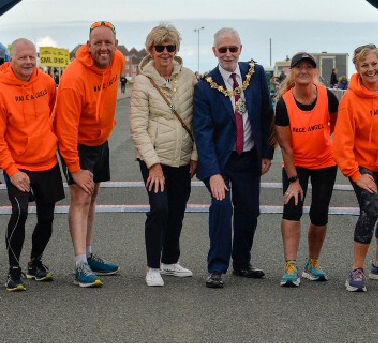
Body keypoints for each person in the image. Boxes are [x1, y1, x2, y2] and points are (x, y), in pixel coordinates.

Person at [194, 27, 274, 289]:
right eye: (223, 49)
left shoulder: (256, 74)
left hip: (249, 156)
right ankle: (216, 267)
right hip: (220, 161)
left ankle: (242, 262)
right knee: (221, 206)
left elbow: (265, 115)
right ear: (214, 51)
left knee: (249, 211)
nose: (228, 54)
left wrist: (267, 153)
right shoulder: (205, 86)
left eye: (233, 49)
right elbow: (203, 133)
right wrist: (213, 172)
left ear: (240, 49)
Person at [0, 38, 64, 292]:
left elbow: (53, 113)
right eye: (23, 57)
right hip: (18, 165)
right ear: (12, 58)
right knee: (19, 213)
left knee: (47, 218)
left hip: (47, 162)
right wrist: (12, 170)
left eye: (32, 57)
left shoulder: (46, 82)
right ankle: (13, 269)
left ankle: (35, 262)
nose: (29, 62)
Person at [54, 21, 125, 288]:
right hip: (78, 143)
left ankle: (89, 252)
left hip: (101, 140)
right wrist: (74, 167)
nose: (103, 48)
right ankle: (80, 263)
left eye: (108, 42)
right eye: (98, 43)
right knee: (81, 198)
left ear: (116, 44)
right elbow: (65, 128)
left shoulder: (117, 60)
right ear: (88, 45)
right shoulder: (74, 78)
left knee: (93, 196)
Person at [333, 44, 378, 292]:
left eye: (374, 63)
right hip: (363, 165)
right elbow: (341, 143)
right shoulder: (351, 100)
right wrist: (355, 174)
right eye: (365, 65)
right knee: (370, 211)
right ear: (357, 68)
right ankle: (357, 268)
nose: (371, 69)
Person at [130, 23, 198, 287]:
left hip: (182, 157)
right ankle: (153, 265)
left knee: (177, 210)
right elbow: (138, 126)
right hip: (154, 159)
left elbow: (196, 120)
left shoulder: (189, 77)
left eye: (170, 47)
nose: (166, 52)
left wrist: (195, 154)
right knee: (159, 208)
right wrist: (153, 164)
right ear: (151, 50)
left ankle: (170, 261)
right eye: (160, 48)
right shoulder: (143, 82)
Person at [274, 52, 339, 287]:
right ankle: (290, 265)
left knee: (320, 214)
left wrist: (334, 149)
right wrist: (293, 180)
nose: (304, 71)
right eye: (299, 67)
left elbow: (337, 126)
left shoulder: (327, 96)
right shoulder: (285, 103)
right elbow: (285, 146)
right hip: (296, 164)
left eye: (308, 67)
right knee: (292, 209)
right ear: (292, 72)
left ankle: (312, 262)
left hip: (325, 163)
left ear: (315, 72)